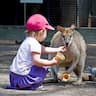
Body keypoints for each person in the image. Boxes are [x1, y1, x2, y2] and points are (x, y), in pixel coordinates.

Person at [9, 14, 66, 90]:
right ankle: (32, 85)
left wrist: (58, 49)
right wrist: (52, 62)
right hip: (23, 79)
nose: (46, 33)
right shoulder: (34, 44)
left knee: (39, 66)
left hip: (14, 78)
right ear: (42, 31)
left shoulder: (28, 40)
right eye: (46, 31)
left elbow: (44, 49)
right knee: (44, 67)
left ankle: (22, 85)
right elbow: (37, 61)